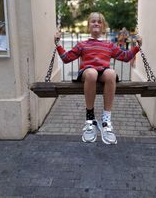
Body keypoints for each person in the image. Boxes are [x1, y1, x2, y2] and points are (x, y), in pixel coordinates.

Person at [54, 12, 142, 144]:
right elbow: (66, 59)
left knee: (111, 73)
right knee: (92, 73)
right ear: (88, 26)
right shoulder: (82, 44)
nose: (96, 23)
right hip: (87, 73)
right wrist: (58, 45)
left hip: (103, 73)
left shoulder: (109, 45)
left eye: (99, 22)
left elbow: (125, 57)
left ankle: (106, 121)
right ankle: (90, 120)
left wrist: (137, 47)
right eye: (93, 21)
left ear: (103, 26)